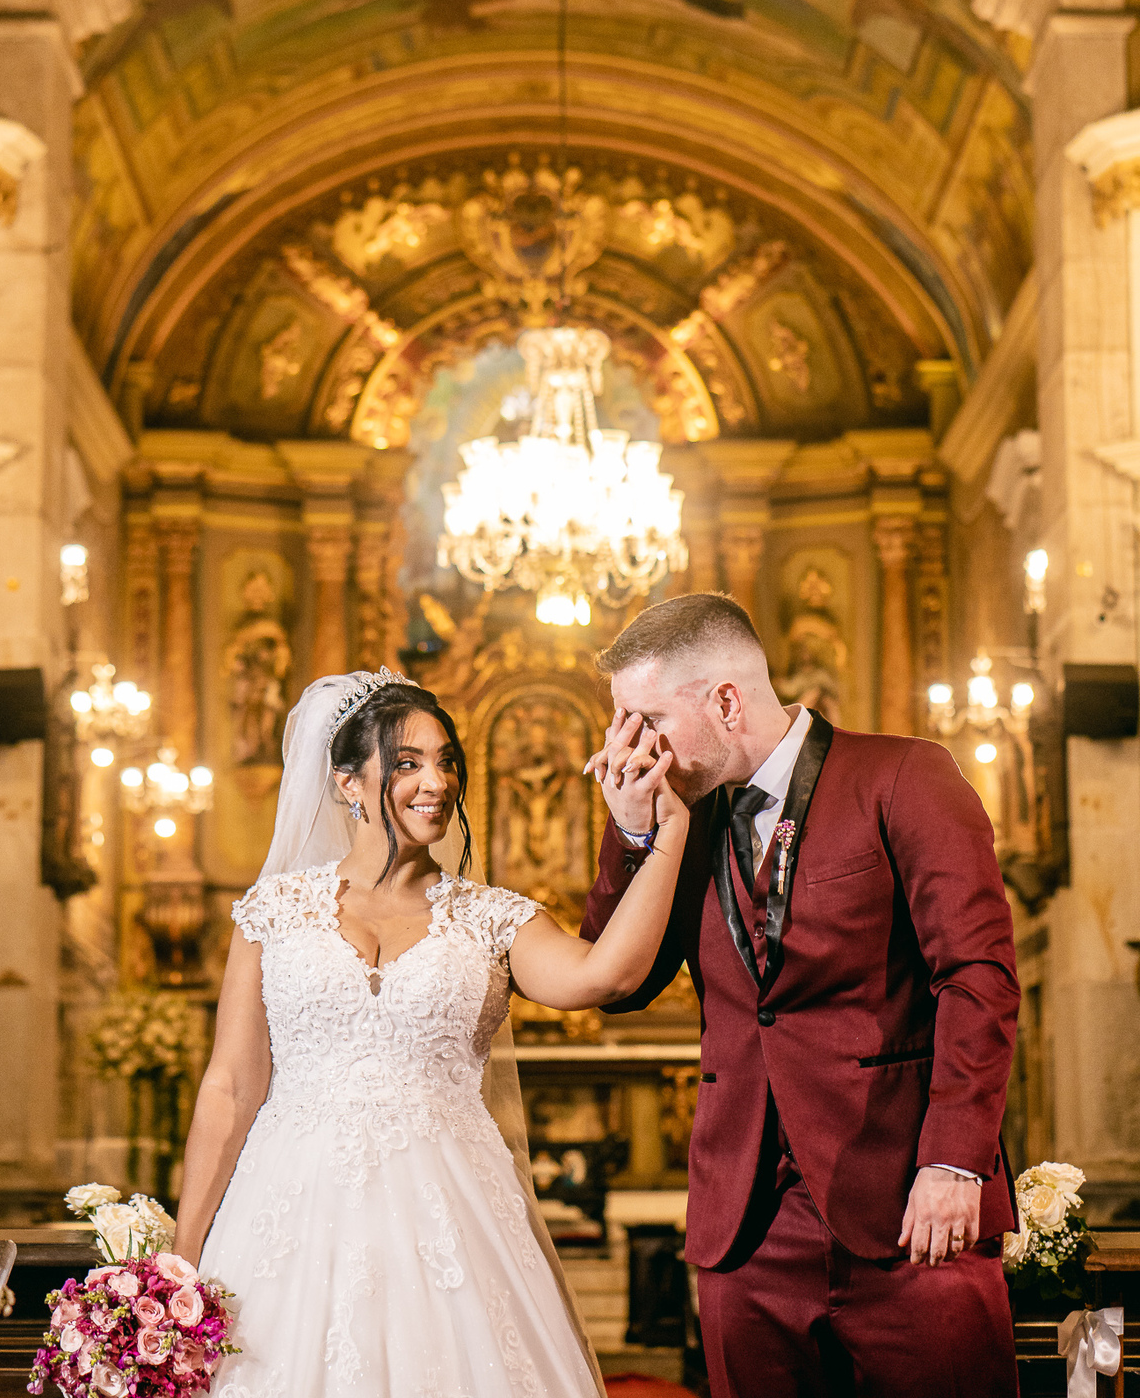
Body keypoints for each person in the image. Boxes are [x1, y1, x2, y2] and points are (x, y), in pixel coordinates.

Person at [174, 667, 688, 1398]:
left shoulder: (491, 918)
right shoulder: (273, 913)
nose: (437, 782)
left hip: (450, 1219)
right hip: (290, 1212)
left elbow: (605, 976)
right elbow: (228, 1086)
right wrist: (179, 1260)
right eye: (408, 763)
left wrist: (666, 834)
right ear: (348, 783)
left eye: (447, 762)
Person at [580, 593, 1020, 1398]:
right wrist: (633, 833)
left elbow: (976, 975)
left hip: (908, 1203)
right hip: (746, 1228)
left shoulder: (904, 775)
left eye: (646, 719)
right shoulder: (681, 817)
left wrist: (955, 1160)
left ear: (725, 701)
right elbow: (621, 985)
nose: (630, 746)